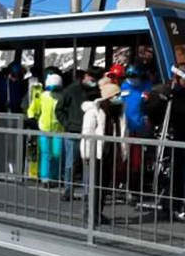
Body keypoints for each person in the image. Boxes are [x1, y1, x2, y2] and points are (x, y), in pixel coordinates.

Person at [80, 82, 126, 226]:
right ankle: (90, 214)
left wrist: (123, 152)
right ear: (108, 97)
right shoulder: (94, 111)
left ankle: (98, 212)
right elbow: (87, 133)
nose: (118, 97)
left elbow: (122, 134)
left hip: (110, 153)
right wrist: (87, 155)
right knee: (95, 184)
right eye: (115, 95)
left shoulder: (117, 113)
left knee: (104, 185)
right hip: (96, 153)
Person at [55, 66, 103, 200]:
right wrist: (67, 123)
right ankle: (68, 190)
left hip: (90, 133)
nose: (94, 82)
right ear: (86, 76)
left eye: (96, 80)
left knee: (89, 163)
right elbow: (59, 109)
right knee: (71, 163)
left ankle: (88, 192)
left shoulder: (96, 91)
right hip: (74, 132)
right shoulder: (71, 90)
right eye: (92, 79)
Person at [145, 64, 185, 221]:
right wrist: (165, 97)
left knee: (179, 173)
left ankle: (176, 203)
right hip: (171, 138)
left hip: (181, 138)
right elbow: (152, 112)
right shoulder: (165, 93)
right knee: (172, 173)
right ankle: (171, 205)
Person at [119, 64, 153, 193]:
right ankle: (126, 184)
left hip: (141, 127)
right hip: (126, 127)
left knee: (138, 159)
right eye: (130, 76)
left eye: (135, 76)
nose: (133, 78)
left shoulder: (146, 86)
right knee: (125, 157)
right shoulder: (123, 86)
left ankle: (136, 186)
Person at [28, 74, 64, 182]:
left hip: (58, 129)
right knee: (46, 153)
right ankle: (45, 177)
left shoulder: (62, 97)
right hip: (44, 128)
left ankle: (55, 176)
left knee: (56, 153)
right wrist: (32, 118)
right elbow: (34, 107)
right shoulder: (43, 96)